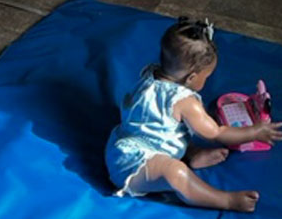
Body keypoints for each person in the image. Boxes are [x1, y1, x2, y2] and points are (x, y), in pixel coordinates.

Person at [105, 17, 282, 213]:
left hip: (124, 143)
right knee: (176, 172)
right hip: (133, 166)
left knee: (174, 128)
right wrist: (254, 132)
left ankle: (193, 154)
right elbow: (216, 133)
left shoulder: (150, 74)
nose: (206, 81)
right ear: (191, 77)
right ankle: (225, 200)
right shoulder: (186, 102)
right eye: (206, 77)